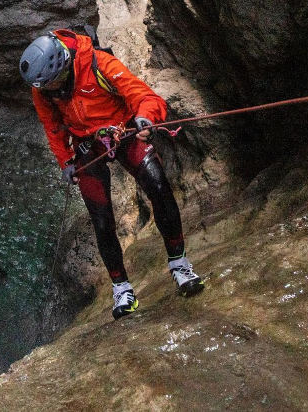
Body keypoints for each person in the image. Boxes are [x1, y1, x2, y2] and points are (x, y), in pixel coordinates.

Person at [19, 28, 204, 320]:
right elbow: (52, 127)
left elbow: (142, 95)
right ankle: (122, 289)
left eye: (50, 86)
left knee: (158, 187)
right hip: (86, 145)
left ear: (61, 70)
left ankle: (179, 265)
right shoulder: (42, 89)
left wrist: (145, 117)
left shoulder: (100, 64)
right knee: (101, 219)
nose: (46, 93)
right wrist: (66, 161)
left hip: (123, 130)